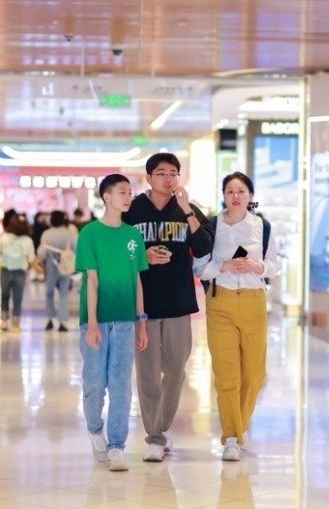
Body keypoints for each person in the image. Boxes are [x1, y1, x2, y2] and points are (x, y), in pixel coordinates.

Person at [122, 152, 214, 462]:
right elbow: (116, 249)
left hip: (178, 302)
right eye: (161, 173)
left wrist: (187, 209)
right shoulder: (133, 209)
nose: (168, 179)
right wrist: (142, 257)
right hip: (143, 304)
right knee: (148, 374)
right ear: (148, 178)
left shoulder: (187, 209)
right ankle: (155, 437)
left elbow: (204, 247)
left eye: (173, 173)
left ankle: (161, 427)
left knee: (176, 370)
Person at [192, 172, 278, 461]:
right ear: (223, 196)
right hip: (221, 302)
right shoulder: (212, 226)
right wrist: (224, 266)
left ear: (250, 195)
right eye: (230, 191)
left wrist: (257, 266)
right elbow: (199, 268)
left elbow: (274, 265)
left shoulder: (262, 226)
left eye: (241, 190)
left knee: (254, 374)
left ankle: (238, 426)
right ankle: (231, 437)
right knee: (226, 374)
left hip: (254, 302)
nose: (236, 196)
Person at [76, 174, 149, 472]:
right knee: (95, 382)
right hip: (95, 319)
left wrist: (141, 321)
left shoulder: (134, 236)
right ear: (107, 197)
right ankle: (96, 430)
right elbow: (92, 280)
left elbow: (137, 280)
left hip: (125, 320)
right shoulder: (89, 234)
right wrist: (93, 323)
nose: (128, 197)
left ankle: (117, 445)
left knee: (121, 384)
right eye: (122, 192)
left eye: (130, 192)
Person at [38, 210, 78, 332]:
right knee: (64, 294)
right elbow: (75, 250)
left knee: (49, 293)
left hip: (51, 266)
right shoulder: (69, 234)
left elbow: (42, 253)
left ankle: (49, 319)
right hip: (65, 267)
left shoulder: (46, 234)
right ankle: (63, 322)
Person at [0, 214, 38, 332]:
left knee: (5, 295)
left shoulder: (4, 238)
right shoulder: (28, 240)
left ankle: (4, 321)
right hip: (20, 271)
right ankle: (16, 324)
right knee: (17, 297)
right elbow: (31, 258)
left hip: (6, 269)